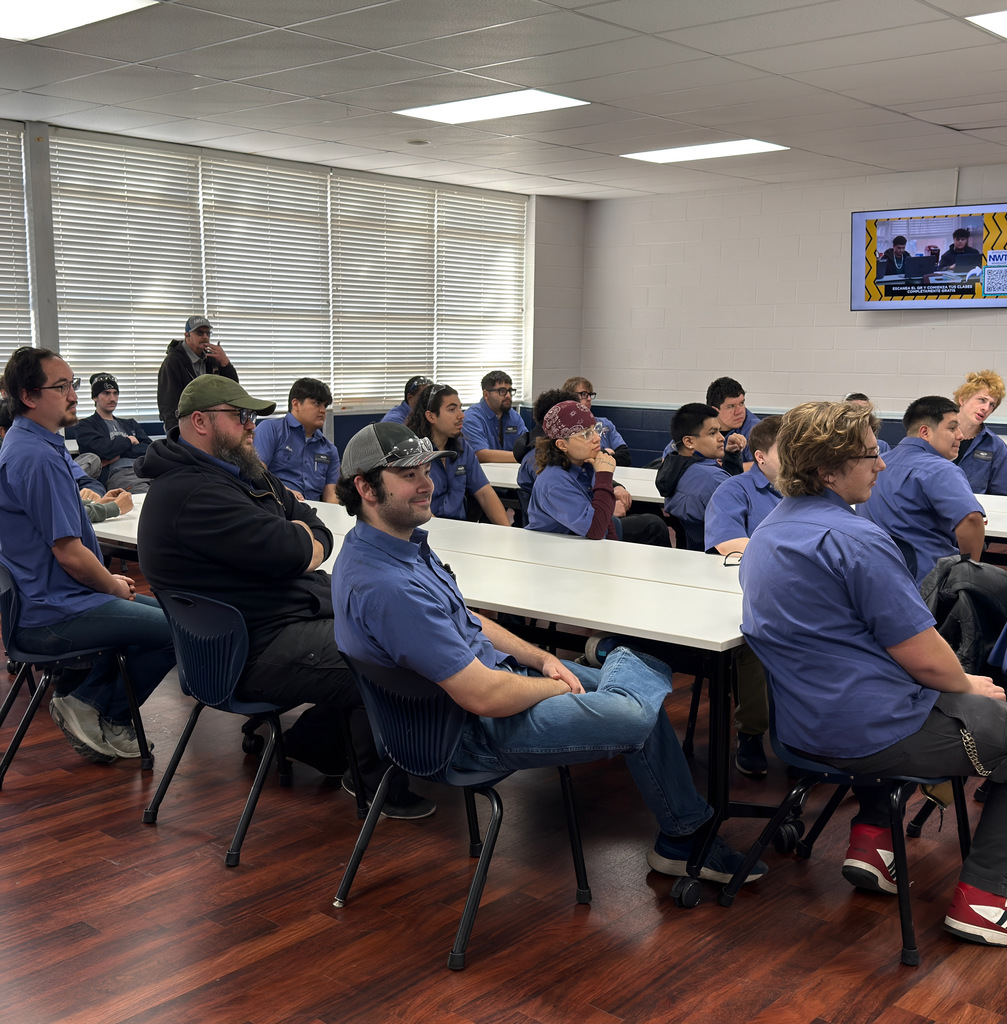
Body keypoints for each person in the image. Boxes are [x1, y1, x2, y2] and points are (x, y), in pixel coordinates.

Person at [332, 420, 766, 886]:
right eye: (410, 476)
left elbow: (467, 619)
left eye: (426, 470)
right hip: (468, 732)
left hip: (466, 703)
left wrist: (541, 659)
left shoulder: (389, 549)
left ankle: (682, 834)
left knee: (636, 692)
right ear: (366, 488)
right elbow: (485, 697)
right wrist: (550, 685)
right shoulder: (390, 588)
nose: (428, 485)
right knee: (639, 711)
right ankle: (621, 661)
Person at [740, 400, 1007, 947]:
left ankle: (873, 844)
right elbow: (927, 659)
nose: (882, 466)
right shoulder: (856, 540)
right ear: (827, 470)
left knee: (889, 698)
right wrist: (968, 686)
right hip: (871, 734)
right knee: (984, 712)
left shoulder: (767, 531)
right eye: (869, 455)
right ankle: (986, 898)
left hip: (800, 730)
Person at [135, 375, 433, 819]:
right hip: (246, 651)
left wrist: (301, 540)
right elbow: (294, 549)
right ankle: (373, 782)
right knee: (391, 652)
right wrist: (300, 542)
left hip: (275, 624)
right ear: (199, 421)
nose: (252, 426)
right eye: (240, 417)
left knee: (385, 626)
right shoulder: (192, 493)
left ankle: (313, 744)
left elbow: (314, 526)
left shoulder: (236, 471)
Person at [0, 347, 174, 763]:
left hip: (60, 600)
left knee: (166, 617)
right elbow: (70, 556)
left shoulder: (41, 445)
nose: (74, 395)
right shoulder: (35, 456)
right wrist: (111, 583)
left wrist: (108, 586)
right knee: (177, 628)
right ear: (28, 396)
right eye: (62, 387)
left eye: (72, 384)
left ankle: (93, 707)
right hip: (54, 612)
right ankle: (96, 708)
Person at [702, 415, 783, 777]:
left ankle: (813, 734)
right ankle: (751, 732)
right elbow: (726, 543)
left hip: (803, 591)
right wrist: (786, 556)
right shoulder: (735, 490)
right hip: (754, 587)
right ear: (762, 456)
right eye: (790, 450)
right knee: (755, 640)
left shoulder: (808, 489)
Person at [860, 396, 985, 584]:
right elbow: (971, 519)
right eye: (952, 428)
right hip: (929, 586)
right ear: (925, 432)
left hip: (874, 578)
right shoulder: (941, 469)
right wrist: (968, 578)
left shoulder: (878, 463)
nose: (960, 435)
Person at [526, 400, 668, 545]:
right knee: (654, 526)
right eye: (586, 434)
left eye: (595, 429)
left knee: (652, 513)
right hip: (563, 548)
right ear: (562, 445)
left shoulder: (583, 463)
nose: (597, 438)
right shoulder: (554, 482)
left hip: (586, 535)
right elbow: (596, 530)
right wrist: (604, 475)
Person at [405, 382, 509, 526]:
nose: (461, 415)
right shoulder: (412, 453)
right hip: (426, 531)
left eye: (460, 408)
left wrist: (507, 531)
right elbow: (413, 506)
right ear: (431, 416)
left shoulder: (462, 449)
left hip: (459, 531)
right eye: (452, 409)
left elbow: (485, 494)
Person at [253, 377, 341, 502]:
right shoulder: (271, 429)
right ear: (296, 404)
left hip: (315, 513)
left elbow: (331, 495)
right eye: (317, 403)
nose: (322, 410)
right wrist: (283, 492)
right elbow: (256, 474)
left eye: (325, 405)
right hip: (276, 506)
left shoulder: (329, 449)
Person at [657, 403, 731, 550]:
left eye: (720, 432)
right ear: (689, 442)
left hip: (693, 554)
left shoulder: (675, 469)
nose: (722, 438)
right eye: (712, 433)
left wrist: (733, 458)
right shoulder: (713, 479)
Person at [157, 315, 238, 434]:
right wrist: (176, 437)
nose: (205, 337)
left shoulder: (212, 359)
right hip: (185, 428)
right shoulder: (173, 362)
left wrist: (226, 364)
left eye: (208, 333)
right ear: (187, 335)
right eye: (200, 333)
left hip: (210, 427)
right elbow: (168, 405)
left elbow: (233, 392)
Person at [74, 372, 152, 493]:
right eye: (106, 393)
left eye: (115, 393)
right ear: (95, 397)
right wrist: (129, 440)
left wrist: (118, 454)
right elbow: (101, 450)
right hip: (120, 473)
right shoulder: (85, 425)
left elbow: (148, 448)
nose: (112, 398)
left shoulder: (130, 423)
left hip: (146, 469)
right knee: (145, 496)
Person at [953, 370, 1007, 494]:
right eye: (982, 400)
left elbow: (1000, 494)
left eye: (992, 404)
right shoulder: (936, 434)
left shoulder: (996, 447)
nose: (986, 408)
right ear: (963, 400)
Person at [561, 376, 631, 466]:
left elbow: (625, 458)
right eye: (584, 394)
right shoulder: (565, 428)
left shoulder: (604, 423)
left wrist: (599, 456)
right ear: (569, 398)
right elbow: (580, 461)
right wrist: (606, 452)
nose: (589, 399)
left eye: (590, 394)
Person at [462, 370, 527, 463]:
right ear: (486, 394)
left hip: (512, 471)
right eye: (502, 391)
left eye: (510, 391)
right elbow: (481, 454)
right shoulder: (471, 418)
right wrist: (522, 457)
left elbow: (526, 445)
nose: (508, 395)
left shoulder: (513, 416)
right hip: (485, 473)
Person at [706, 377, 760, 467]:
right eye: (731, 406)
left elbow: (764, 467)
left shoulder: (755, 429)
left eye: (741, 403)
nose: (739, 411)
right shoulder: (698, 425)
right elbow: (678, 457)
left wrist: (724, 468)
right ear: (714, 411)